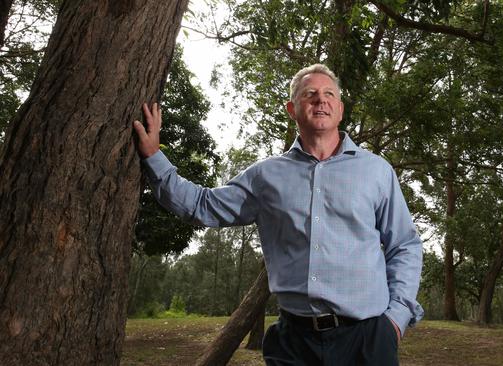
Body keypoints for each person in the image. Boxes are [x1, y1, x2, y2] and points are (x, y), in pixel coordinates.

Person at [133, 64, 424, 365]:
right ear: (292, 108)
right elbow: (204, 205)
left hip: (368, 341)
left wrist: (396, 320)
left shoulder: (376, 171)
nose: (320, 100)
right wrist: (154, 157)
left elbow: (404, 245)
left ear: (340, 108)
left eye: (329, 94)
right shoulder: (265, 176)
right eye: (310, 94)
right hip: (294, 346)